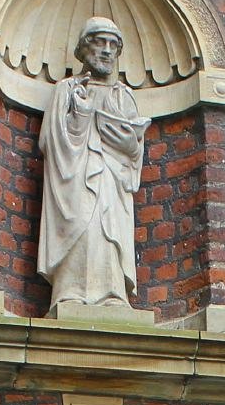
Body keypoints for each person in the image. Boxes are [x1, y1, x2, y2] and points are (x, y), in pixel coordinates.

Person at [37, 18, 148, 311]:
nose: (107, 51)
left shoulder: (123, 95)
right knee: (82, 224)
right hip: (75, 174)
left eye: (113, 45)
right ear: (84, 49)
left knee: (108, 230)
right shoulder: (66, 89)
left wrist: (129, 144)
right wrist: (82, 116)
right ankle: (69, 291)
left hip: (112, 179)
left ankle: (113, 292)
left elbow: (134, 150)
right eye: (100, 42)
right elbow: (52, 141)